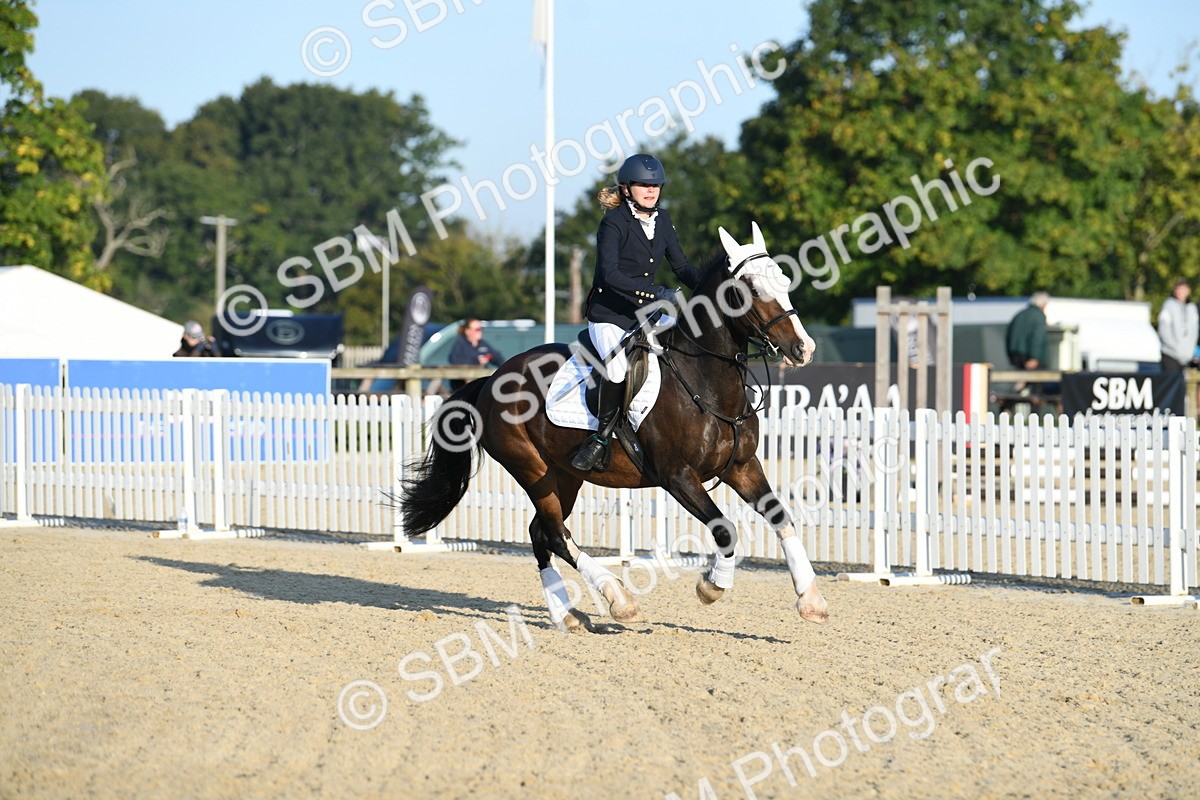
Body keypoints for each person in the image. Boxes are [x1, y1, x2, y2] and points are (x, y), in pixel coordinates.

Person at [570, 153, 701, 472]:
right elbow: (611, 275)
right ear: (627, 189)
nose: (651, 190)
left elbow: (681, 266)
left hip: (645, 312)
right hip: (609, 314)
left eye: (655, 185)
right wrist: (656, 293)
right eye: (643, 184)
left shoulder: (664, 220)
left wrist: (711, 286)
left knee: (684, 347)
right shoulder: (613, 223)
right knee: (616, 370)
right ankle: (600, 439)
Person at [447, 318, 504, 390]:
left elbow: (496, 357)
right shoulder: (460, 343)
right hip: (462, 384)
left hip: (480, 381)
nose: (480, 331)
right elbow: (454, 359)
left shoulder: (483, 344)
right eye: (477, 329)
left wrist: (506, 367)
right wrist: (476, 361)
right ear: (467, 331)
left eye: (481, 329)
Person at [1157, 278, 1198, 372]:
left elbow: (1194, 332)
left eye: (1183, 289)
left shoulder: (1191, 308)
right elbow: (1164, 331)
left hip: (1185, 357)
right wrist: (1176, 349)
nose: (1180, 292)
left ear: (1188, 290)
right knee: (1171, 383)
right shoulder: (1168, 306)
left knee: (1182, 384)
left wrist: (1189, 351)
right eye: (1178, 289)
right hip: (1170, 354)